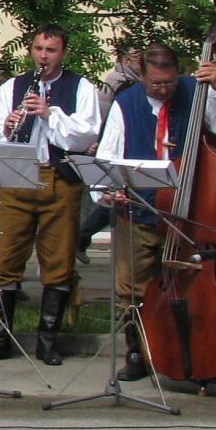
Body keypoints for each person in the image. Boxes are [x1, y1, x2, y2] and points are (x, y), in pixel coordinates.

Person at [94, 43, 216, 380]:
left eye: (169, 83)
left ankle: (198, 348)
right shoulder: (126, 103)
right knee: (132, 286)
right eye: (156, 84)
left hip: (193, 217)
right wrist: (107, 192)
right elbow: (108, 157)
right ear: (142, 76)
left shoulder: (196, 92)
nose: (164, 90)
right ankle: (137, 354)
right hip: (141, 209)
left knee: (195, 288)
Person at [0, 24, 101, 366]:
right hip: (18, 177)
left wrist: (49, 113)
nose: (43, 56)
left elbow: (86, 134)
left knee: (58, 262)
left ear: (64, 53)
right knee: (3, 259)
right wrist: (5, 127)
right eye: (38, 49)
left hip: (60, 179)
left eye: (51, 50)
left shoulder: (80, 87)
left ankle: (48, 342)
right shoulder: (13, 87)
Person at [77, 45, 143, 265]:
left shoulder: (131, 80)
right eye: (136, 58)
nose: (139, 62)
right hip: (112, 142)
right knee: (117, 198)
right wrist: (98, 140)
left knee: (117, 199)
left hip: (113, 141)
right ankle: (81, 236)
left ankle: (82, 237)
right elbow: (105, 113)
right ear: (126, 60)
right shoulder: (119, 82)